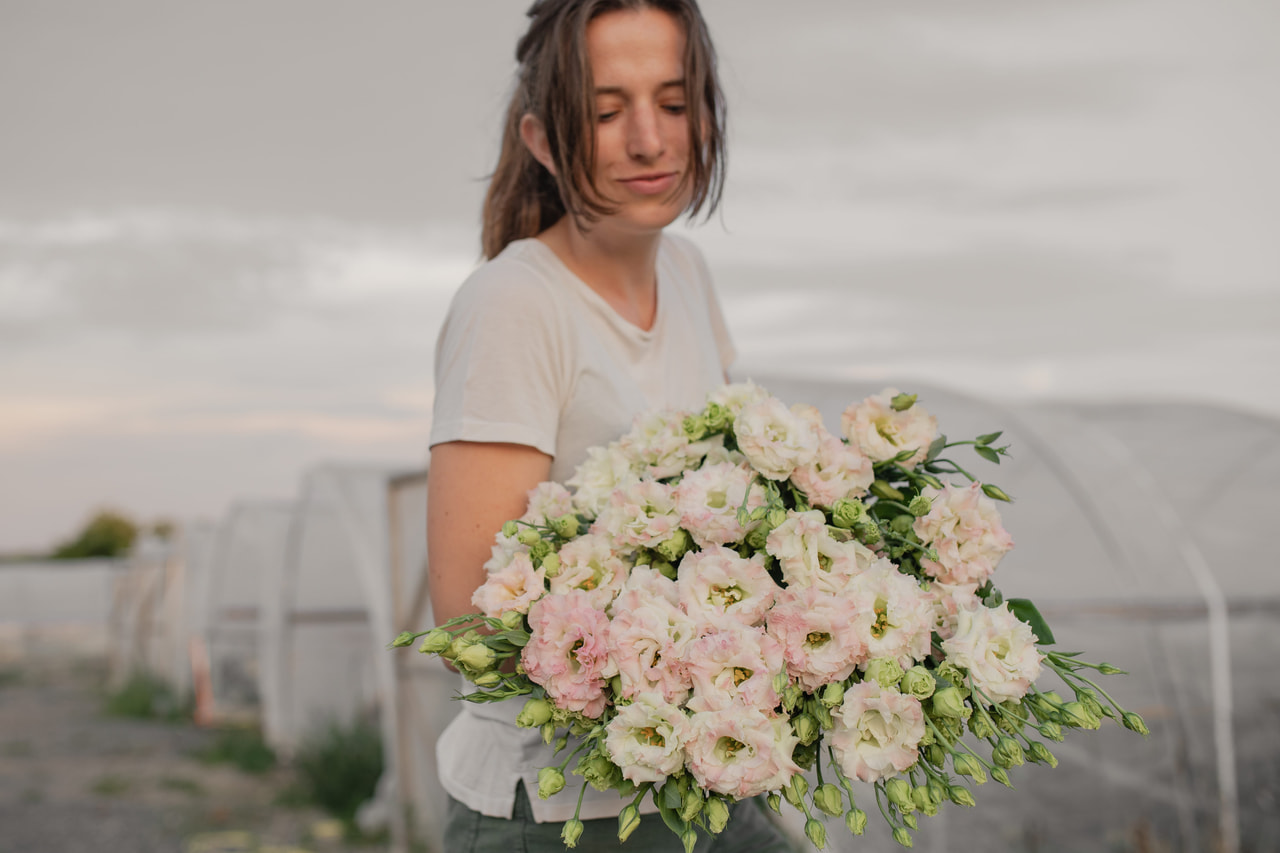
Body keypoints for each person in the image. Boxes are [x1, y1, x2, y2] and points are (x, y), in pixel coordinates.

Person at [426, 1, 792, 850]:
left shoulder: (690, 275)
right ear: (543, 140)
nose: (648, 140)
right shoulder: (516, 306)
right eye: (604, 112)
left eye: (673, 103)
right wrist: (690, 651)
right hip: (561, 810)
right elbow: (466, 621)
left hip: (699, 776)